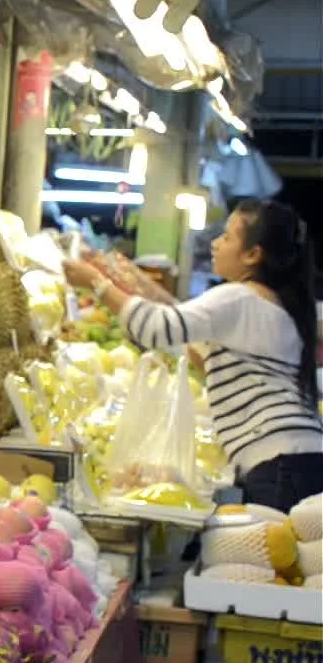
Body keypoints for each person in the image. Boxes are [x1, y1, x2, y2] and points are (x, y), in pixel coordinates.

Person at [65, 199, 323, 511]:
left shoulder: (237, 299)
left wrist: (97, 283)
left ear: (253, 255)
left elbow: (157, 328)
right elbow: (194, 346)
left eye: (226, 237)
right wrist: (132, 284)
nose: (215, 244)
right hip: (304, 459)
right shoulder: (279, 308)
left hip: (279, 466)